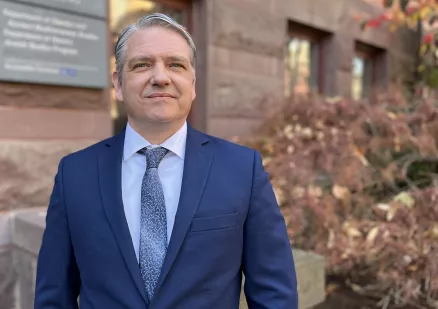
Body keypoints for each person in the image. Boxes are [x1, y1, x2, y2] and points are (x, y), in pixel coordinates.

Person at [34, 13, 298, 309]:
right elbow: (54, 296)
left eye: (175, 64)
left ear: (193, 83)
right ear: (118, 84)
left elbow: (275, 295)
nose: (160, 77)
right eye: (142, 64)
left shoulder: (241, 170)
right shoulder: (74, 175)